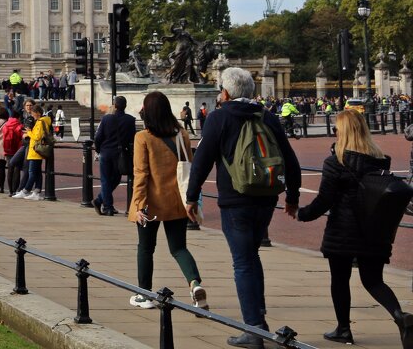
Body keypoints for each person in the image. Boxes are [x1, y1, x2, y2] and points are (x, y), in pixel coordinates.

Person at [184, 68, 301, 348]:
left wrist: (192, 196)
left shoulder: (219, 117)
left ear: (225, 93)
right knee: (251, 255)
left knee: (243, 261)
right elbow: (290, 159)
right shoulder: (267, 116)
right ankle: (258, 319)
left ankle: (254, 329)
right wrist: (292, 197)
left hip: (235, 197)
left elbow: (202, 161)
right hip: (266, 197)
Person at [298, 109, 413, 347]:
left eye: (336, 129)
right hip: (374, 229)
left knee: (340, 280)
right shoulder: (381, 160)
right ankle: (399, 316)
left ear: (342, 132)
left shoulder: (335, 162)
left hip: (344, 230)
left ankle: (343, 329)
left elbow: (325, 200)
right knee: (373, 280)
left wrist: (302, 214)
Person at [127, 91, 208, 311]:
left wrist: (138, 205)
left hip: (151, 202)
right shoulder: (181, 134)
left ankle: (144, 294)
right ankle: (194, 284)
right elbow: (189, 168)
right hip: (176, 200)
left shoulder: (143, 137)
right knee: (179, 248)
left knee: (145, 248)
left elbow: (141, 174)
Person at [93, 96, 137, 216]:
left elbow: (98, 137)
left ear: (115, 106)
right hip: (121, 154)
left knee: (106, 179)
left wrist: (98, 149)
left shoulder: (106, 119)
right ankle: (104, 203)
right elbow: (133, 139)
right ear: (125, 106)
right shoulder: (130, 120)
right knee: (115, 179)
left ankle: (105, 205)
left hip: (106, 152)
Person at [13, 105, 51, 200]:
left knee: (32, 172)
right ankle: (36, 192)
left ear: (37, 113)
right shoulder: (41, 121)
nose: (32, 115)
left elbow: (37, 137)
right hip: (35, 150)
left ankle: (25, 190)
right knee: (37, 172)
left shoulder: (40, 122)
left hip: (35, 150)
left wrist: (28, 132)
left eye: (33, 113)